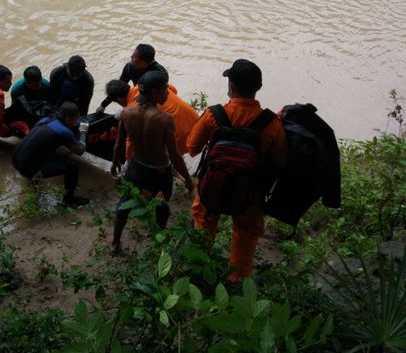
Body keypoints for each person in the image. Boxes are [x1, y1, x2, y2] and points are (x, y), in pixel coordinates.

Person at [187, 59, 287, 282]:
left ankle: (199, 271)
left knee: (204, 221)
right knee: (245, 234)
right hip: (250, 192)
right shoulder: (272, 124)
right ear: (258, 88)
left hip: (212, 184)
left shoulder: (213, 115)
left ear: (231, 85)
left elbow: (192, 148)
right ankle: (237, 280)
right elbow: (280, 162)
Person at [110, 71, 193, 253]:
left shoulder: (126, 112)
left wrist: (115, 162)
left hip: (136, 167)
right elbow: (174, 155)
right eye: (165, 90)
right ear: (155, 92)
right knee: (161, 207)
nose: (167, 94)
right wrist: (188, 179)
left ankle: (115, 241)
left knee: (124, 204)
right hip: (160, 173)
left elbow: (118, 145)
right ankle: (158, 242)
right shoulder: (164, 120)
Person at [12, 102, 91, 207]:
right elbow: (80, 151)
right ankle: (69, 200)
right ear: (67, 119)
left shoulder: (45, 120)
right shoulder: (64, 131)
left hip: (15, 160)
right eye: (76, 119)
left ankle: (31, 177)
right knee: (72, 167)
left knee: (57, 153)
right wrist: (83, 132)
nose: (76, 122)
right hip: (27, 170)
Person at [104, 79, 199, 155]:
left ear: (119, 99)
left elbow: (132, 140)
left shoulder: (133, 110)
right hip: (197, 123)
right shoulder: (144, 84)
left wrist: (128, 161)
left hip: (183, 140)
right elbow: (173, 89)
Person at [97, 44, 167, 112]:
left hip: (156, 103)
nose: (131, 57)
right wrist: (103, 105)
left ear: (143, 61)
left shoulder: (161, 73)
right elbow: (118, 88)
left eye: (134, 56)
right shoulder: (130, 67)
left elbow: (164, 95)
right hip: (138, 98)